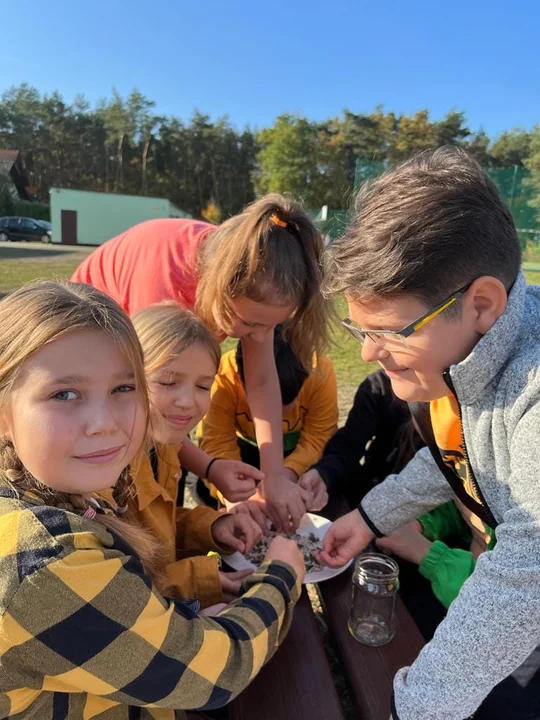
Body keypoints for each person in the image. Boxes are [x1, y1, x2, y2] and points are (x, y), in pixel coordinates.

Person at [0, 281, 305, 719]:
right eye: (63, 394)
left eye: (123, 388)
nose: (104, 423)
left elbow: (140, 543)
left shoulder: (61, 485)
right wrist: (283, 576)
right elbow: (219, 672)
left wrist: (209, 527)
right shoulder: (44, 565)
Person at [319, 147, 540, 719]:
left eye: (388, 331)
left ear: (481, 304)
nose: (369, 352)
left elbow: (530, 566)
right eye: (358, 329)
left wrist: (414, 708)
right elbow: (457, 456)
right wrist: (368, 519)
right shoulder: (473, 360)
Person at [72, 196, 329, 532]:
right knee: (125, 499)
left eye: (272, 326)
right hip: (85, 353)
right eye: (249, 324)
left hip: (145, 390)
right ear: (221, 288)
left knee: (162, 496)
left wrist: (274, 477)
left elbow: (263, 382)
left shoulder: (254, 285)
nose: (260, 336)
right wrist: (208, 467)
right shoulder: (165, 286)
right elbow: (150, 410)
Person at [107, 301, 261, 609]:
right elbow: (121, 589)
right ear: (124, 380)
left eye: (204, 386)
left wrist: (212, 527)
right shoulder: (106, 475)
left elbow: (157, 528)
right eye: (167, 382)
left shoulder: (164, 447)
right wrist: (196, 581)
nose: (188, 402)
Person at [197, 324, 338, 515]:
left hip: (297, 453)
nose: (274, 419)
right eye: (263, 411)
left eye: (284, 409)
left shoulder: (320, 371)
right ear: (242, 380)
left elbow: (318, 437)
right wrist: (236, 497)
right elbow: (216, 443)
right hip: (243, 454)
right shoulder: (223, 378)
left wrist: (287, 475)